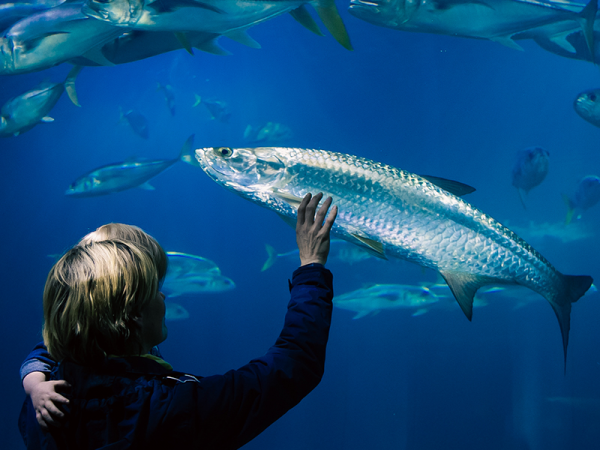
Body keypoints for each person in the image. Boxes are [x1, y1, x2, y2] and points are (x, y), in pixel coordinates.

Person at [19, 192, 337, 449]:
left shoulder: (41, 409)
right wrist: (311, 267)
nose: (164, 297)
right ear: (134, 316)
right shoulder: (176, 408)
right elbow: (294, 364)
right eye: (155, 290)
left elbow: (67, 335)